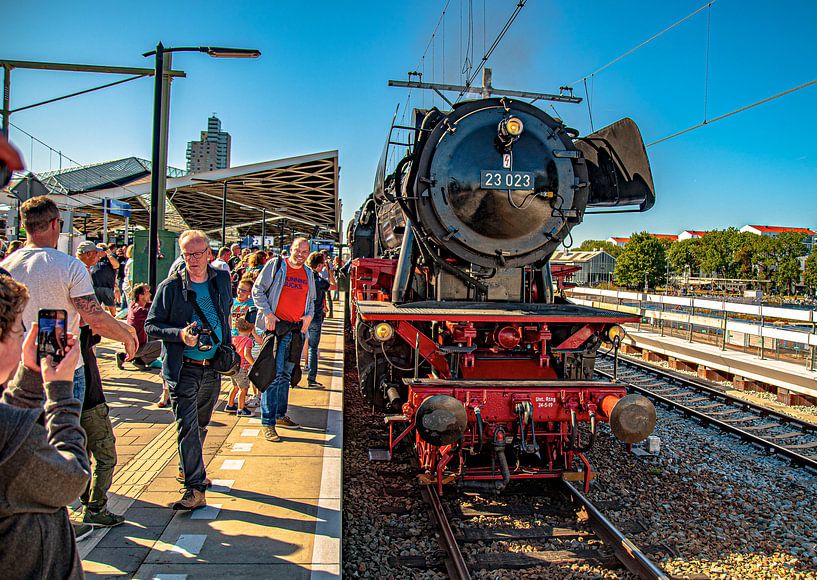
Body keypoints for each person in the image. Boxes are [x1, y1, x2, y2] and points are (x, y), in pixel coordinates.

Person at [1, 196, 138, 405]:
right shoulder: (70, 266)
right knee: (64, 423)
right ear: (54, 224)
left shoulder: (6, 267)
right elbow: (94, 318)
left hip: (18, 368)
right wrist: (125, 337)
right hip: (63, 368)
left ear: (24, 225)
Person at [0, 274, 90, 579]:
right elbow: (72, 478)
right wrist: (61, 394)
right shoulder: (8, 440)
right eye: (18, 329)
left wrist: (28, 380)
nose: (22, 338)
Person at [145, 229, 232, 510]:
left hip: (213, 366)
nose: (192, 260)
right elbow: (151, 325)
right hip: (184, 368)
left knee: (201, 424)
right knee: (188, 427)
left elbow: (225, 315)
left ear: (209, 254)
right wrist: (180, 335)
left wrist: (228, 348)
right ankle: (195, 488)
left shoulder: (222, 280)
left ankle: (188, 468)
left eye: (197, 254)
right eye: (187, 255)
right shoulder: (170, 287)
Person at [251, 237, 315, 442]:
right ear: (290, 249)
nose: (300, 255)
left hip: (295, 331)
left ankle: (279, 414)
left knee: (286, 375)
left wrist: (309, 317)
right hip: (277, 329)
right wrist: (268, 313)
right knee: (273, 375)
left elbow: (311, 300)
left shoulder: (308, 273)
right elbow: (257, 290)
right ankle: (268, 422)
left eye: (304, 252)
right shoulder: (276, 265)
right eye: (297, 250)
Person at [304, 252, 337, 388]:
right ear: (318, 266)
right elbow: (333, 286)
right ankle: (311, 379)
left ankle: (290, 378)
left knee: (296, 346)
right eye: (322, 264)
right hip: (315, 316)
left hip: (301, 316)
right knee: (312, 348)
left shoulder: (304, 276)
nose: (323, 266)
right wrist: (330, 272)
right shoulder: (318, 280)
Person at [224, 316, 255, 415]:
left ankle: (230, 405)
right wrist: (254, 364)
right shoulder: (248, 340)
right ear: (250, 330)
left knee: (235, 387)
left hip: (233, 367)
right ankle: (241, 409)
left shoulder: (233, 338)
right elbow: (246, 354)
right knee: (243, 389)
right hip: (242, 368)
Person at [91, 242, 121, 316]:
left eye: (103, 249)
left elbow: (116, 265)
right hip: (95, 287)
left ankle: (114, 318)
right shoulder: (95, 259)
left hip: (107, 287)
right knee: (94, 308)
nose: (100, 251)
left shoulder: (109, 258)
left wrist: (109, 254)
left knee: (111, 306)